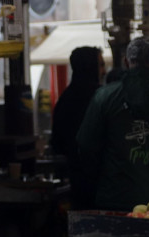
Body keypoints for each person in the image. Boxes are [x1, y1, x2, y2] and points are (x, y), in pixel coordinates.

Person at [76, 36, 149, 211]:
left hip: (114, 201)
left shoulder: (104, 98)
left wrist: (107, 176)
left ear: (126, 62)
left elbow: (86, 146)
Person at [51, 46, 106, 209]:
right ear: (90, 67)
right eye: (101, 65)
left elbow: (57, 144)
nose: (104, 71)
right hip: (102, 185)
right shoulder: (102, 99)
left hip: (77, 184)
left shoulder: (65, 99)